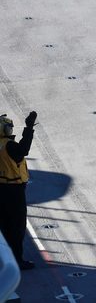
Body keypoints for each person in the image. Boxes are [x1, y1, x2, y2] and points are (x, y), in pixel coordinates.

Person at [0, 111, 37, 270]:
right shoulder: (9, 145)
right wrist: (28, 128)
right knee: (17, 226)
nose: (11, 129)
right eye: (9, 127)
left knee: (5, 226)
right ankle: (17, 261)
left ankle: (6, 260)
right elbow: (24, 149)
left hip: (1, 189)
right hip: (13, 190)